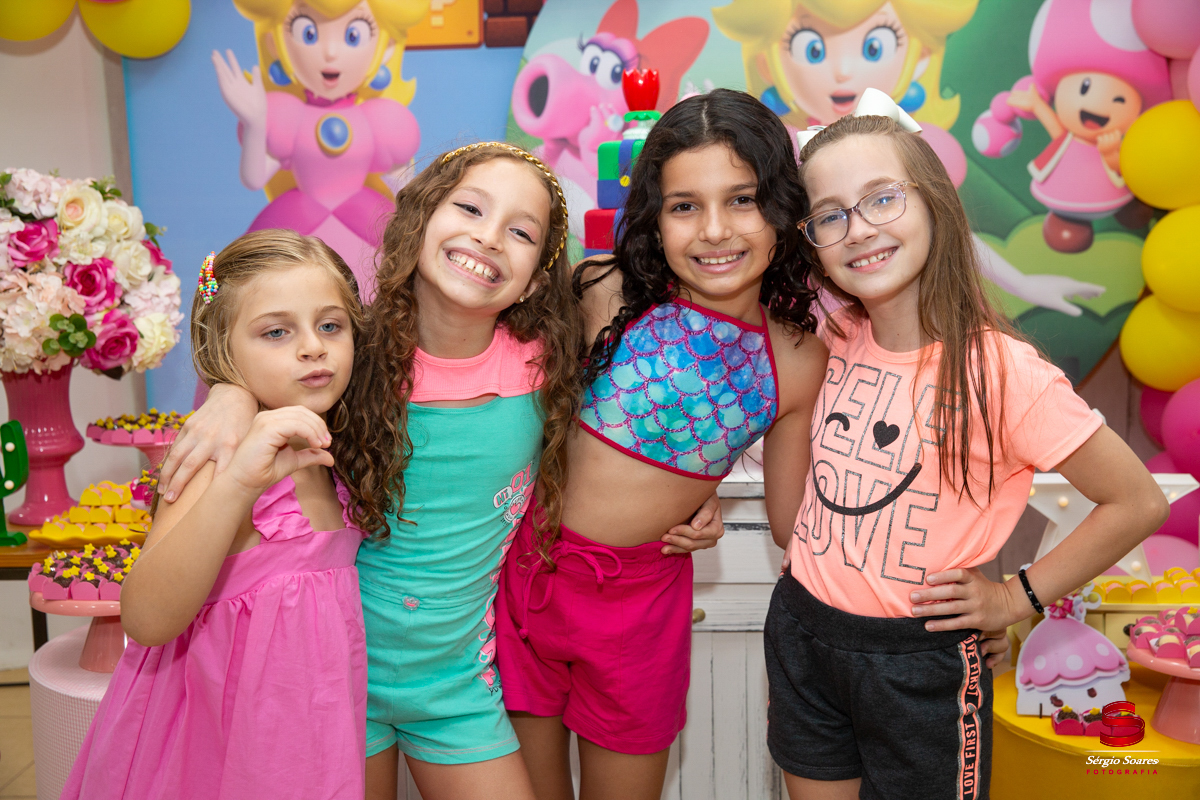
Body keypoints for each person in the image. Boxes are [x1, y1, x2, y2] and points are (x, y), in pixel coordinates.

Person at [155, 143, 725, 800]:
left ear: (536, 279)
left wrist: (683, 495)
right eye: (471, 209)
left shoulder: (546, 363)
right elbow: (258, 352)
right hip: (338, 675)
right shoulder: (348, 354)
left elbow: (609, 440)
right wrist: (227, 393)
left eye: (521, 232)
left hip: (458, 685)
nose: (489, 237)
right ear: (419, 221)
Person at [764, 104, 1169, 800]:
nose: (858, 229)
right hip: (802, 631)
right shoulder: (831, 337)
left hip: (919, 664)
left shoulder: (1004, 373)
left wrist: (1015, 596)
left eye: (882, 198)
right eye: (830, 215)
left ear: (933, 202)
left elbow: (1137, 501)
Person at [495, 88, 827, 800]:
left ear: (783, 207)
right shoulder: (601, 291)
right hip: (525, 578)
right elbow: (507, 408)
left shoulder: (798, 359)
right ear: (654, 217)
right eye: (684, 206)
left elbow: (792, 526)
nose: (715, 230)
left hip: (640, 613)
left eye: (742, 200)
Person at [62, 229, 370, 799]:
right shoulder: (219, 456)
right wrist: (236, 484)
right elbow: (146, 619)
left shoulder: (337, 454)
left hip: (307, 739)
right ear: (222, 349)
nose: (313, 347)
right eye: (276, 332)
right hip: (218, 748)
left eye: (331, 326)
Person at [713, 0, 1106, 316]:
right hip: (821, 323)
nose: (843, 71)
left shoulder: (901, 147)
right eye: (813, 50)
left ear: (920, 55)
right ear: (768, 62)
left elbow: (947, 226)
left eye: (874, 47)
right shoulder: (780, 159)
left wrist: (1022, 284)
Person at [213, 0, 427, 299]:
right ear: (276, 42)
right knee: (271, 294)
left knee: (377, 299)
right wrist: (256, 123)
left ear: (386, 47)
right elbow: (254, 178)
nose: (330, 53)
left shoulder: (381, 121)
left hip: (366, 224)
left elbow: (405, 189)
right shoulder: (286, 117)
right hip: (294, 223)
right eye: (308, 33)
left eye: (353, 35)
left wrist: (412, 227)